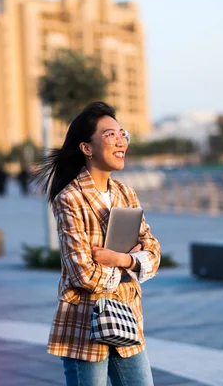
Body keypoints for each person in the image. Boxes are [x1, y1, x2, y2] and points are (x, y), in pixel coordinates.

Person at [35, 102, 161, 386]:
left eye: (122, 134)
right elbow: (83, 272)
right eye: (109, 135)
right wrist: (132, 266)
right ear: (87, 148)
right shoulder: (70, 199)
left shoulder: (126, 194)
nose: (120, 141)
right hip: (85, 324)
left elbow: (154, 254)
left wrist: (119, 260)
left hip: (127, 319)